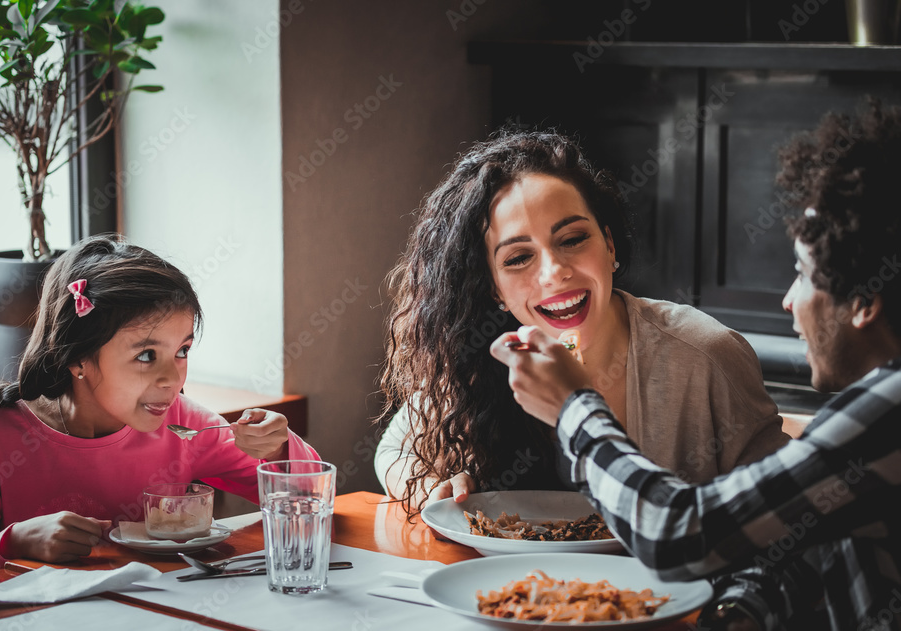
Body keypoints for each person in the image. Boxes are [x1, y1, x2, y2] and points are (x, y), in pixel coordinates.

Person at [491, 98, 901, 630]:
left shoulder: (887, 416)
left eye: (803, 273)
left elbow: (676, 533)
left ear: (865, 302)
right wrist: (735, 614)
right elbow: (800, 545)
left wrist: (574, 407)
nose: (788, 301)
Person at [375, 129, 789, 514]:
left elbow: (783, 506)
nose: (554, 272)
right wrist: (438, 483)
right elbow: (393, 451)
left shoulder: (704, 355)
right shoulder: (483, 358)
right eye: (519, 258)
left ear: (609, 246)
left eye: (572, 240)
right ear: (494, 289)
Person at [0, 235, 320, 582]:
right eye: (147, 355)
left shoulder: (184, 424)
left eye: (182, 350)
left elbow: (311, 501)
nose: (173, 378)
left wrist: (277, 448)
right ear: (78, 358)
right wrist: (12, 542)